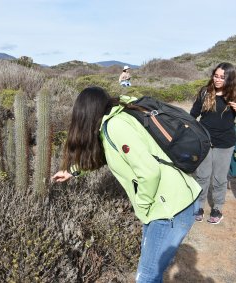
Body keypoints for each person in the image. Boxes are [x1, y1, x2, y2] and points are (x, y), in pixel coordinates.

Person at [52, 86, 201, 282]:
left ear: (85, 112)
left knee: (146, 276)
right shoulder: (114, 119)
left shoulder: (116, 126)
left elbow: (149, 172)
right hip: (168, 203)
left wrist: (142, 204)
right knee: (149, 271)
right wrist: (72, 171)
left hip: (170, 208)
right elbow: (108, 156)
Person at [190, 62, 236, 224]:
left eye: (222, 77)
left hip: (225, 143)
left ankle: (217, 208)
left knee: (219, 178)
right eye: (215, 76)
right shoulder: (205, 92)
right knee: (202, 176)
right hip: (205, 141)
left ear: (230, 79)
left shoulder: (234, 95)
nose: (217, 80)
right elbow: (193, 115)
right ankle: (199, 206)